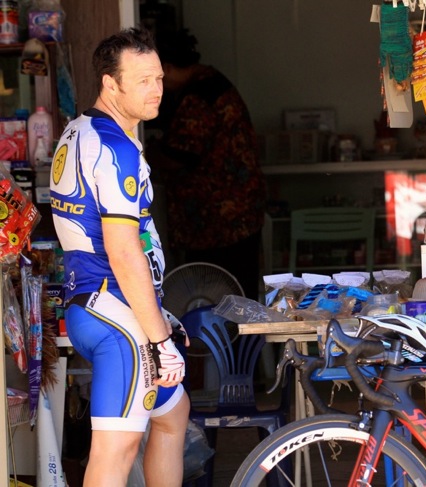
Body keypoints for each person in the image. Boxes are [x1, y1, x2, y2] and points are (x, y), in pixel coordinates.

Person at [49, 28, 190, 487]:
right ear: (111, 85)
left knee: (173, 413)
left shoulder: (79, 129)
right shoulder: (115, 147)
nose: (157, 90)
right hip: (115, 316)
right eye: (144, 80)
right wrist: (158, 338)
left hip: (96, 305)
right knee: (114, 452)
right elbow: (124, 249)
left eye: (160, 78)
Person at [146, 28, 267, 301]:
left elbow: (181, 154)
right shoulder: (212, 82)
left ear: (165, 67)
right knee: (238, 294)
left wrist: (145, 154)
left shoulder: (199, 96)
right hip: (235, 212)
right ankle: (237, 344)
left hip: (220, 218)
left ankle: (227, 345)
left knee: (221, 296)